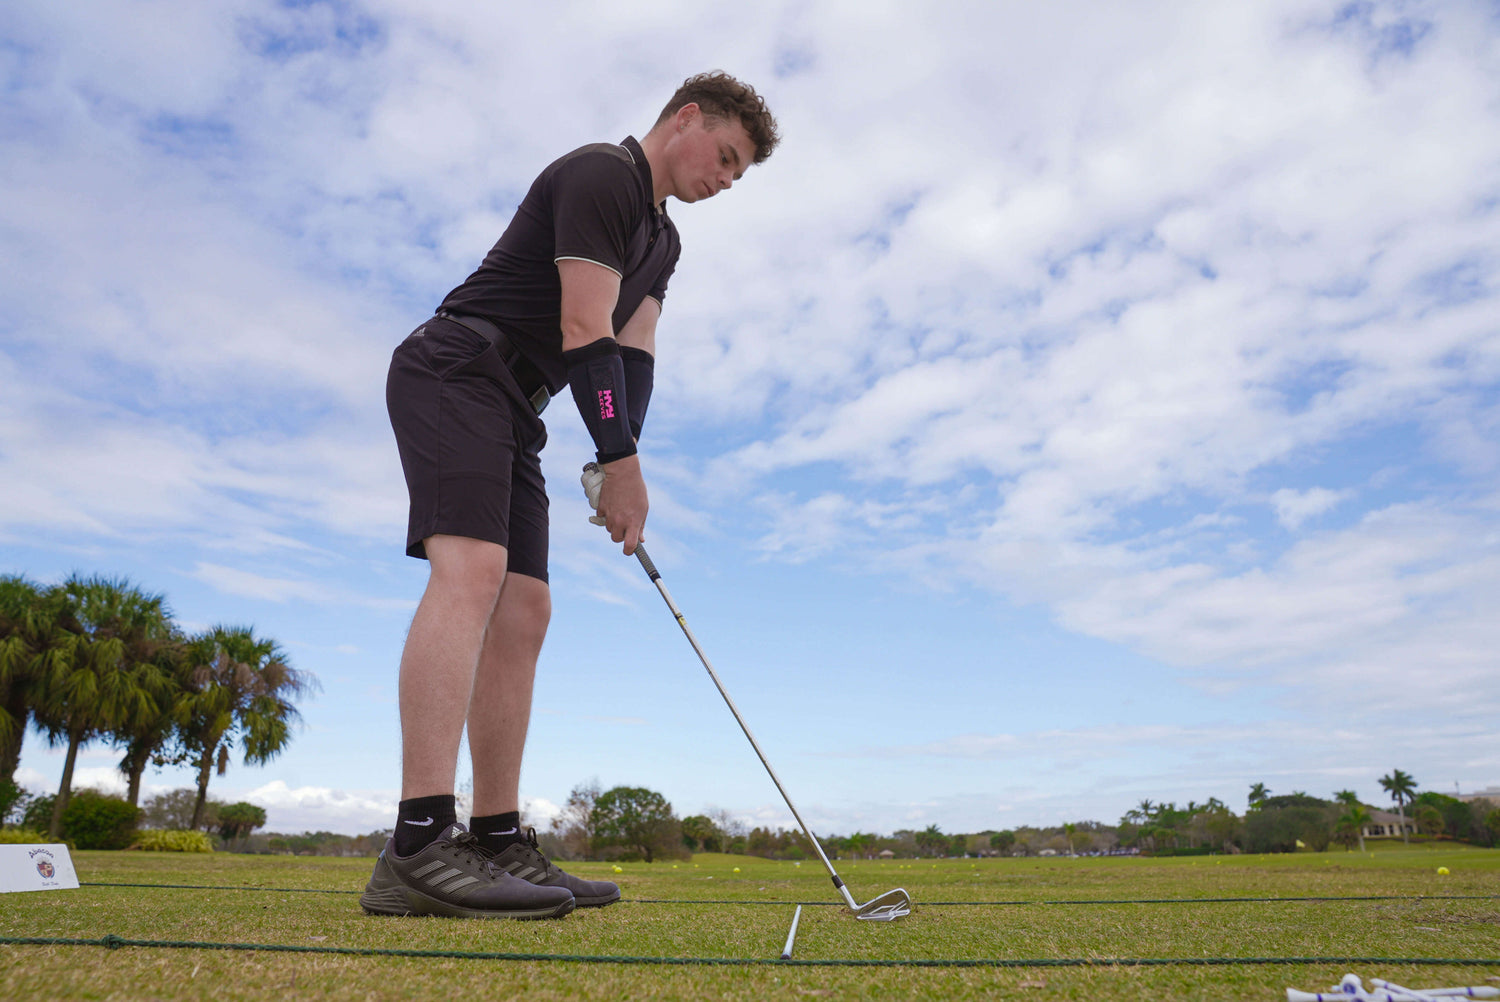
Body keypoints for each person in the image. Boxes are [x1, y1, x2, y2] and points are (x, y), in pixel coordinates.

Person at [360, 72, 780, 919]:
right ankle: (417, 843)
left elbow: (634, 350)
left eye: (741, 174)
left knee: (526, 610)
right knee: (472, 573)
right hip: (455, 369)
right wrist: (619, 463)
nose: (727, 179)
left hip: (517, 410)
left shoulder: (665, 245)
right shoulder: (601, 176)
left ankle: (497, 836)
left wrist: (618, 455)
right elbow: (583, 326)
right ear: (686, 118)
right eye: (726, 156)